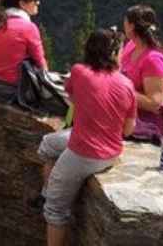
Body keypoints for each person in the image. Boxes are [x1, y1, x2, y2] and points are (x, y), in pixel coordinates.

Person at [38, 29, 137, 246]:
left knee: (55, 210)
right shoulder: (127, 85)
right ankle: (47, 193)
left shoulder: (79, 71)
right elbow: (128, 129)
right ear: (113, 53)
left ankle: (47, 198)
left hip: (82, 152)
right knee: (49, 144)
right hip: (110, 152)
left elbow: (73, 98)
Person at [119, 4, 163, 144]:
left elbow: (154, 103)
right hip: (128, 112)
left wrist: (120, 90)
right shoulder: (131, 46)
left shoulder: (153, 59)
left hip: (146, 121)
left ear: (131, 26)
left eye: (125, 22)